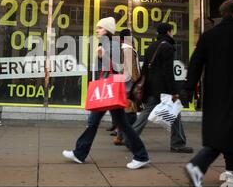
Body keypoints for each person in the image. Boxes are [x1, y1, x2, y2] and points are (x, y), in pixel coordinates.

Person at [183, 0, 233, 187]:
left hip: (214, 92)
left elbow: (195, 63)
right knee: (229, 131)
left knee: (223, 130)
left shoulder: (209, 35)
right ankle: (197, 165)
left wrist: (189, 89)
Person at [62, 17, 150, 169]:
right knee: (103, 123)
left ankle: (141, 155)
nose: (97, 30)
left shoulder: (113, 44)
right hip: (107, 91)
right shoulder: (107, 44)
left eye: (100, 28)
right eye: (97, 27)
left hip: (109, 90)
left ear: (108, 30)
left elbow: (119, 68)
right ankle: (80, 153)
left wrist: (104, 56)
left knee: (103, 123)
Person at [128, 23, 193, 153]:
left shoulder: (151, 46)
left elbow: (145, 69)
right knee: (175, 112)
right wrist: (174, 91)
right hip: (163, 88)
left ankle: (130, 138)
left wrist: (145, 87)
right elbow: (168, 72)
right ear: (169, 31)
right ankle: (178, 143)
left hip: (152, 86)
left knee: (147, 113)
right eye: (172, 31)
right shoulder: (168, 47)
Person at [113, 29, 141, 146]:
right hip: (129, 86)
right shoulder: (128, 49)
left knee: (126, 113)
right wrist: (137, 83)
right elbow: (131, 70)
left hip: (125, 84)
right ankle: (123, 137)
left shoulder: (125, 49)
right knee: (130, 114)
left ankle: (120, 137)